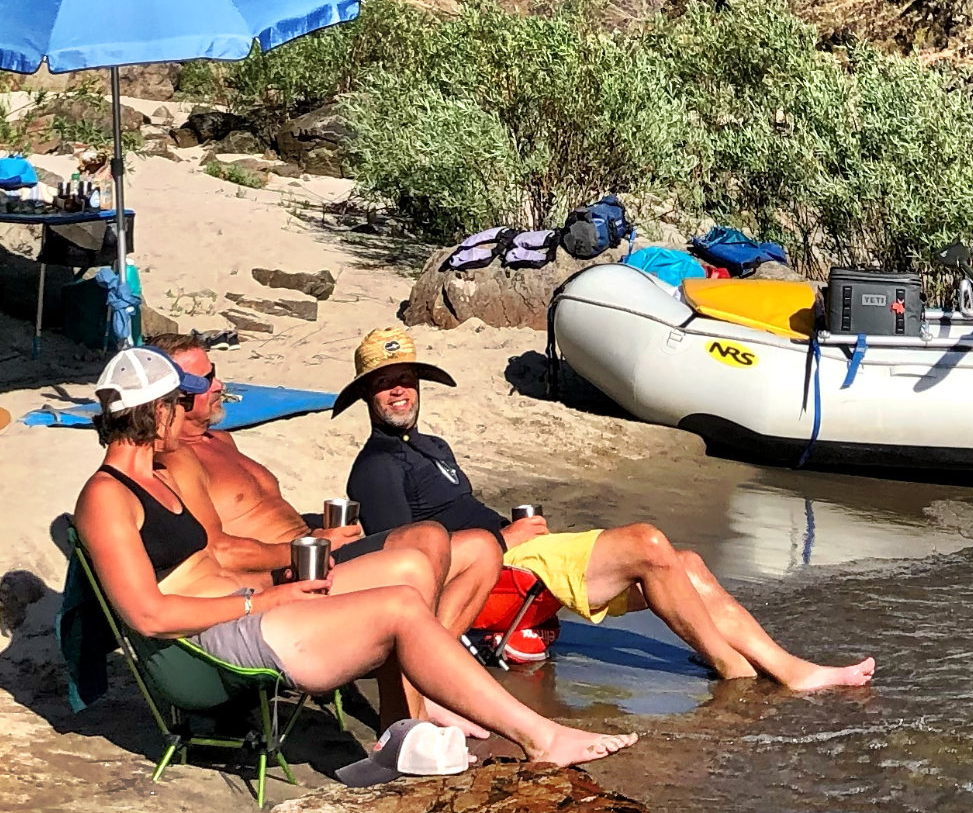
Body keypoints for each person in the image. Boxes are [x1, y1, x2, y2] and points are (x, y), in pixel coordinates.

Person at [73, 346, 636, 766]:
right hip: (214, 645)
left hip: (248, 605)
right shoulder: (106, 497)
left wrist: (275, 584)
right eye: (177, 402)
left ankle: (404, 727)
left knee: (409, 574)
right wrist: (264, 599)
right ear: (155, 412)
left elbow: (214, 552)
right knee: (399, 607)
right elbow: (148, 615)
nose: (185, 412)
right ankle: (538, 737)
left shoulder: (160, 475)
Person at [339, 327, 875, 691]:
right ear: (367, 396)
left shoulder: (432, 447)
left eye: (404, 380)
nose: (398, 392)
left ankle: (783, 667)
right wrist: (506, 541)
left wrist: (516, 532)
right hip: (495, 576)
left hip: (519, 554)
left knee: (686, 565)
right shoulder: (376, 468)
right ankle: (735, 671)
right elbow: (411, 565)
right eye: (384, 384)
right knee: (648, 543)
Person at [143, 333, 501, 731]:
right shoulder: (176, 460)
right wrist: (306, 546)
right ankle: (408, 709)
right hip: (289, 572)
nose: (220, 385)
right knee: (426, 540)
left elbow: (262, 514)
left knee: (482, 548)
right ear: (175, 395)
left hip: (312, 549)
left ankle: (428, 678)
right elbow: (219, 553)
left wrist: (316, 532)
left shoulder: (221, 440)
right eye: (207, 379)